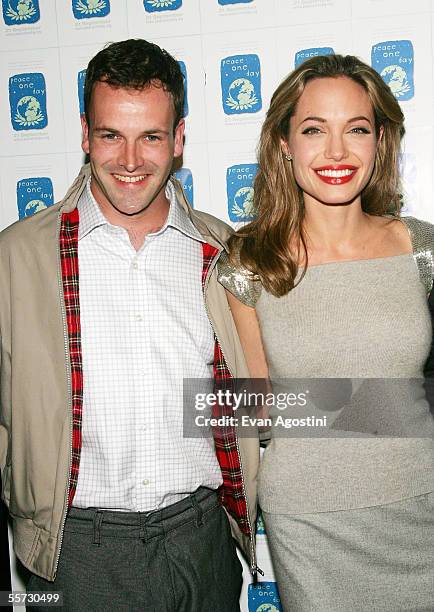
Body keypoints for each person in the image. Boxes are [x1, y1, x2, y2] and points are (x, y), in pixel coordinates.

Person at [0, 39, 261, 611]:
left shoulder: (225, 255)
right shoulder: (17, 257)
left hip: (205, 543)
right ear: (85, 134)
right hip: (79, 552)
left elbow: (258, 402)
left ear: (181, 138)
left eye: (151, 136)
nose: (130, 160)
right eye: (111, 134)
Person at [218, 54, 434, 611]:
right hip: (308, 520)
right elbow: (254, 408)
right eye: (314, 129)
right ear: (284, 143)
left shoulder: (422, 249)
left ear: (380, 141)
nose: (336, 152)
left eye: (356, 129)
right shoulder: (249, 263)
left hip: (422, 506)